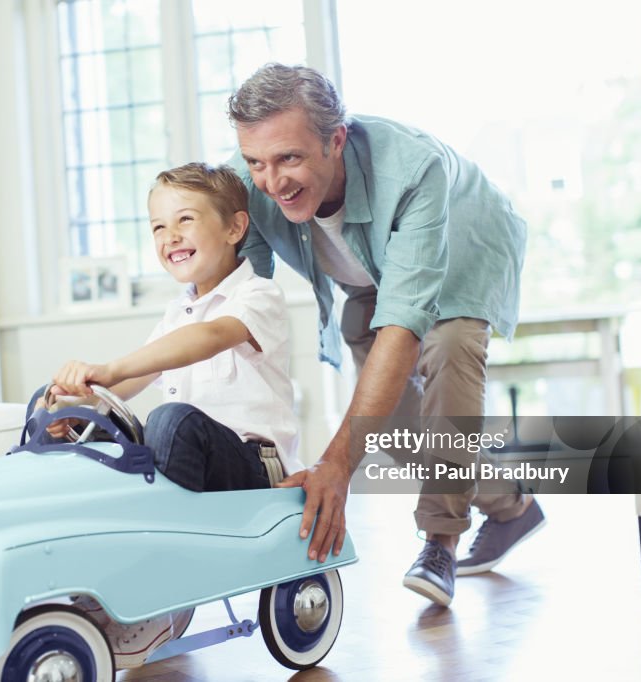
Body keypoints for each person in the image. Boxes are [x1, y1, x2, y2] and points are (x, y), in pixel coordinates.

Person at [225, 63, 546, 608]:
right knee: (387, 417)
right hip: (375, 269)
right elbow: (240, 299)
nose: (272, 182)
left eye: (290, 159)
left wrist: (336, 466)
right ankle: (512, 504)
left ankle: (441, 540)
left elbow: (403, 326)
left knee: (446, 348)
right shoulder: (246, 184)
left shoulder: (413, 171)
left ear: (335, 140)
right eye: (257, 162)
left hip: (464, 248)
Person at [42, 161, 304, 665]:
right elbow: (133, 382)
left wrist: (109, 367)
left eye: (185, 220)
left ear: (234, 227)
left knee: (172, 419)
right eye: (158, 227)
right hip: (190, 467)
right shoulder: (175, 312)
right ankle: (100, 577)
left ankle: (163, 596)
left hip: (250, 469)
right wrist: (77, 410)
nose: (170, 237)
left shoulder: (258, 296)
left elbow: (205, 340)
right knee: (98, 440)